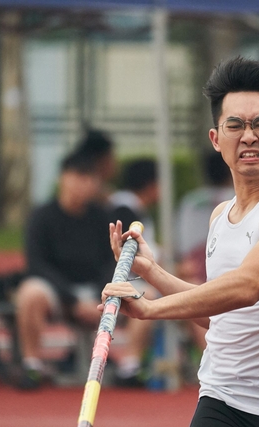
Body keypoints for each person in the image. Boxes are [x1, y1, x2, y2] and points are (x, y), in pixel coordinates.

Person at [102, 57, 259, 426]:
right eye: (235, 125)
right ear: (216, 139)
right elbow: (220, 315)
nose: (248, 136)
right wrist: (152, 272)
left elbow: (248, 287)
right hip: (221, 395)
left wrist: (152, 310)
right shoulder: (221, 215)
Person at [15, 150, 115, 389]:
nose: (85, 184)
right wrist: (72, 299)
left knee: (146, 293)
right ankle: (33, 365)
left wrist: (97, 296)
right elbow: (36, 264)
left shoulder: (103, 218)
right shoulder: (41, 217)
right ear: (63, 178)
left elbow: (112, 261)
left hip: (97, 293)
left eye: (91, 179)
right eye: (79, 177)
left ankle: (131, 366)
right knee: (30, 292)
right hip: (58, 293)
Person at [108, 158, 160, 386]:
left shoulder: (132, 207)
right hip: (123, 278)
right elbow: (133, 255)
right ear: (151, 185)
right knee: (147, 295)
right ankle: (131, 363)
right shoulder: (124, 211)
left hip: (135, 275)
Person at [176, 151, 234, 351]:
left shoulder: (190, 202)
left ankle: (209, 354)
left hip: (200, 275)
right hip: (221, 273)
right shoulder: (239, 199)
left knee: (194, 294)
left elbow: (183, 252)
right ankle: (213, 354)